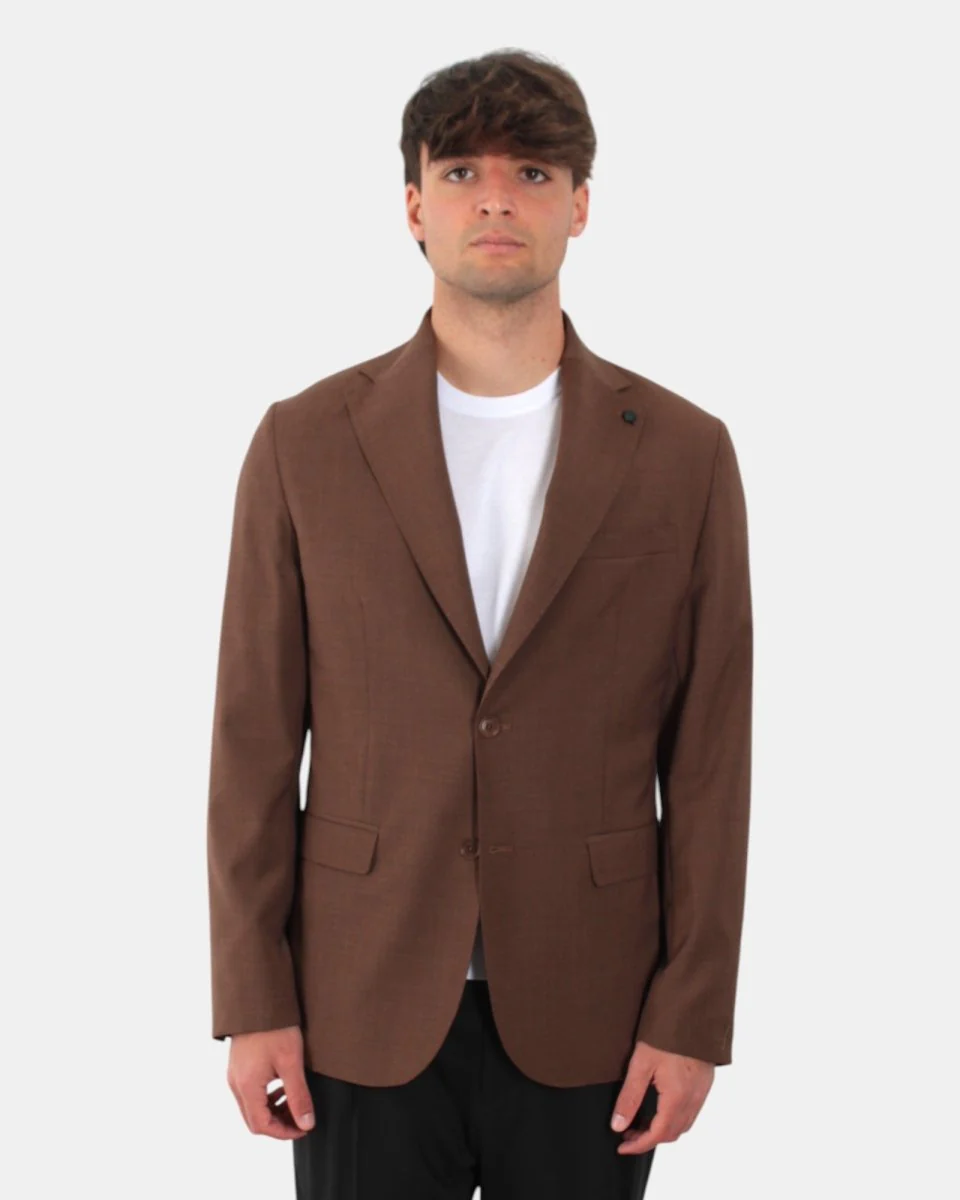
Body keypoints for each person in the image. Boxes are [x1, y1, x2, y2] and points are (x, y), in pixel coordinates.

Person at [207, 48, 753, 1200]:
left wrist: (692, 1012)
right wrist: (254, 997)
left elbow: (711, 758)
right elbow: (252, 743)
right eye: (461, 172)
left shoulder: (684, 453)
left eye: (533, 173)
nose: (496, 199)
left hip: (595, 1007)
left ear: (580, 205)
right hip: (358, 1001)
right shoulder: (305, 441)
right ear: (413, 205)